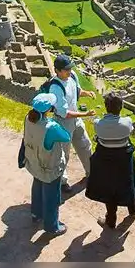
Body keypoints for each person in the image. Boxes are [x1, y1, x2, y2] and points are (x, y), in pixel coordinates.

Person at [86, 91, 135, 229]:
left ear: (106, 107)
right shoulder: (127, 122)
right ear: (121, 107)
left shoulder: (98, 124)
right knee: (129, 183)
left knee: (109, 189)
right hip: (123, 160)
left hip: (105, 160)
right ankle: (134, 209)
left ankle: (111, 219)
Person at [22, 93, 71, 236]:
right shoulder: (51, 127)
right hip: (49, 166)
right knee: (52, 196)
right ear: (48, 109)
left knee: (37, 185)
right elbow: (66, 137)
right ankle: (52, 226)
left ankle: (36, 214)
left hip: (34, 162)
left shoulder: (28, 118)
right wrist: (56, 123)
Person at [47, 54, 95, 192]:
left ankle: (91, 173)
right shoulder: (55, 87)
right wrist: (85, 114)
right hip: (63, 122)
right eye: (66, 69)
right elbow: (64, 113)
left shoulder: (72, 76)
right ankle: (62, 182)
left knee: (85, 145)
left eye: (70, 68)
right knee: (63, 153)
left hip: (76, 118)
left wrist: (87, 93)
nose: (69, 71)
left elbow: (77, 91)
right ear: (57, 70)